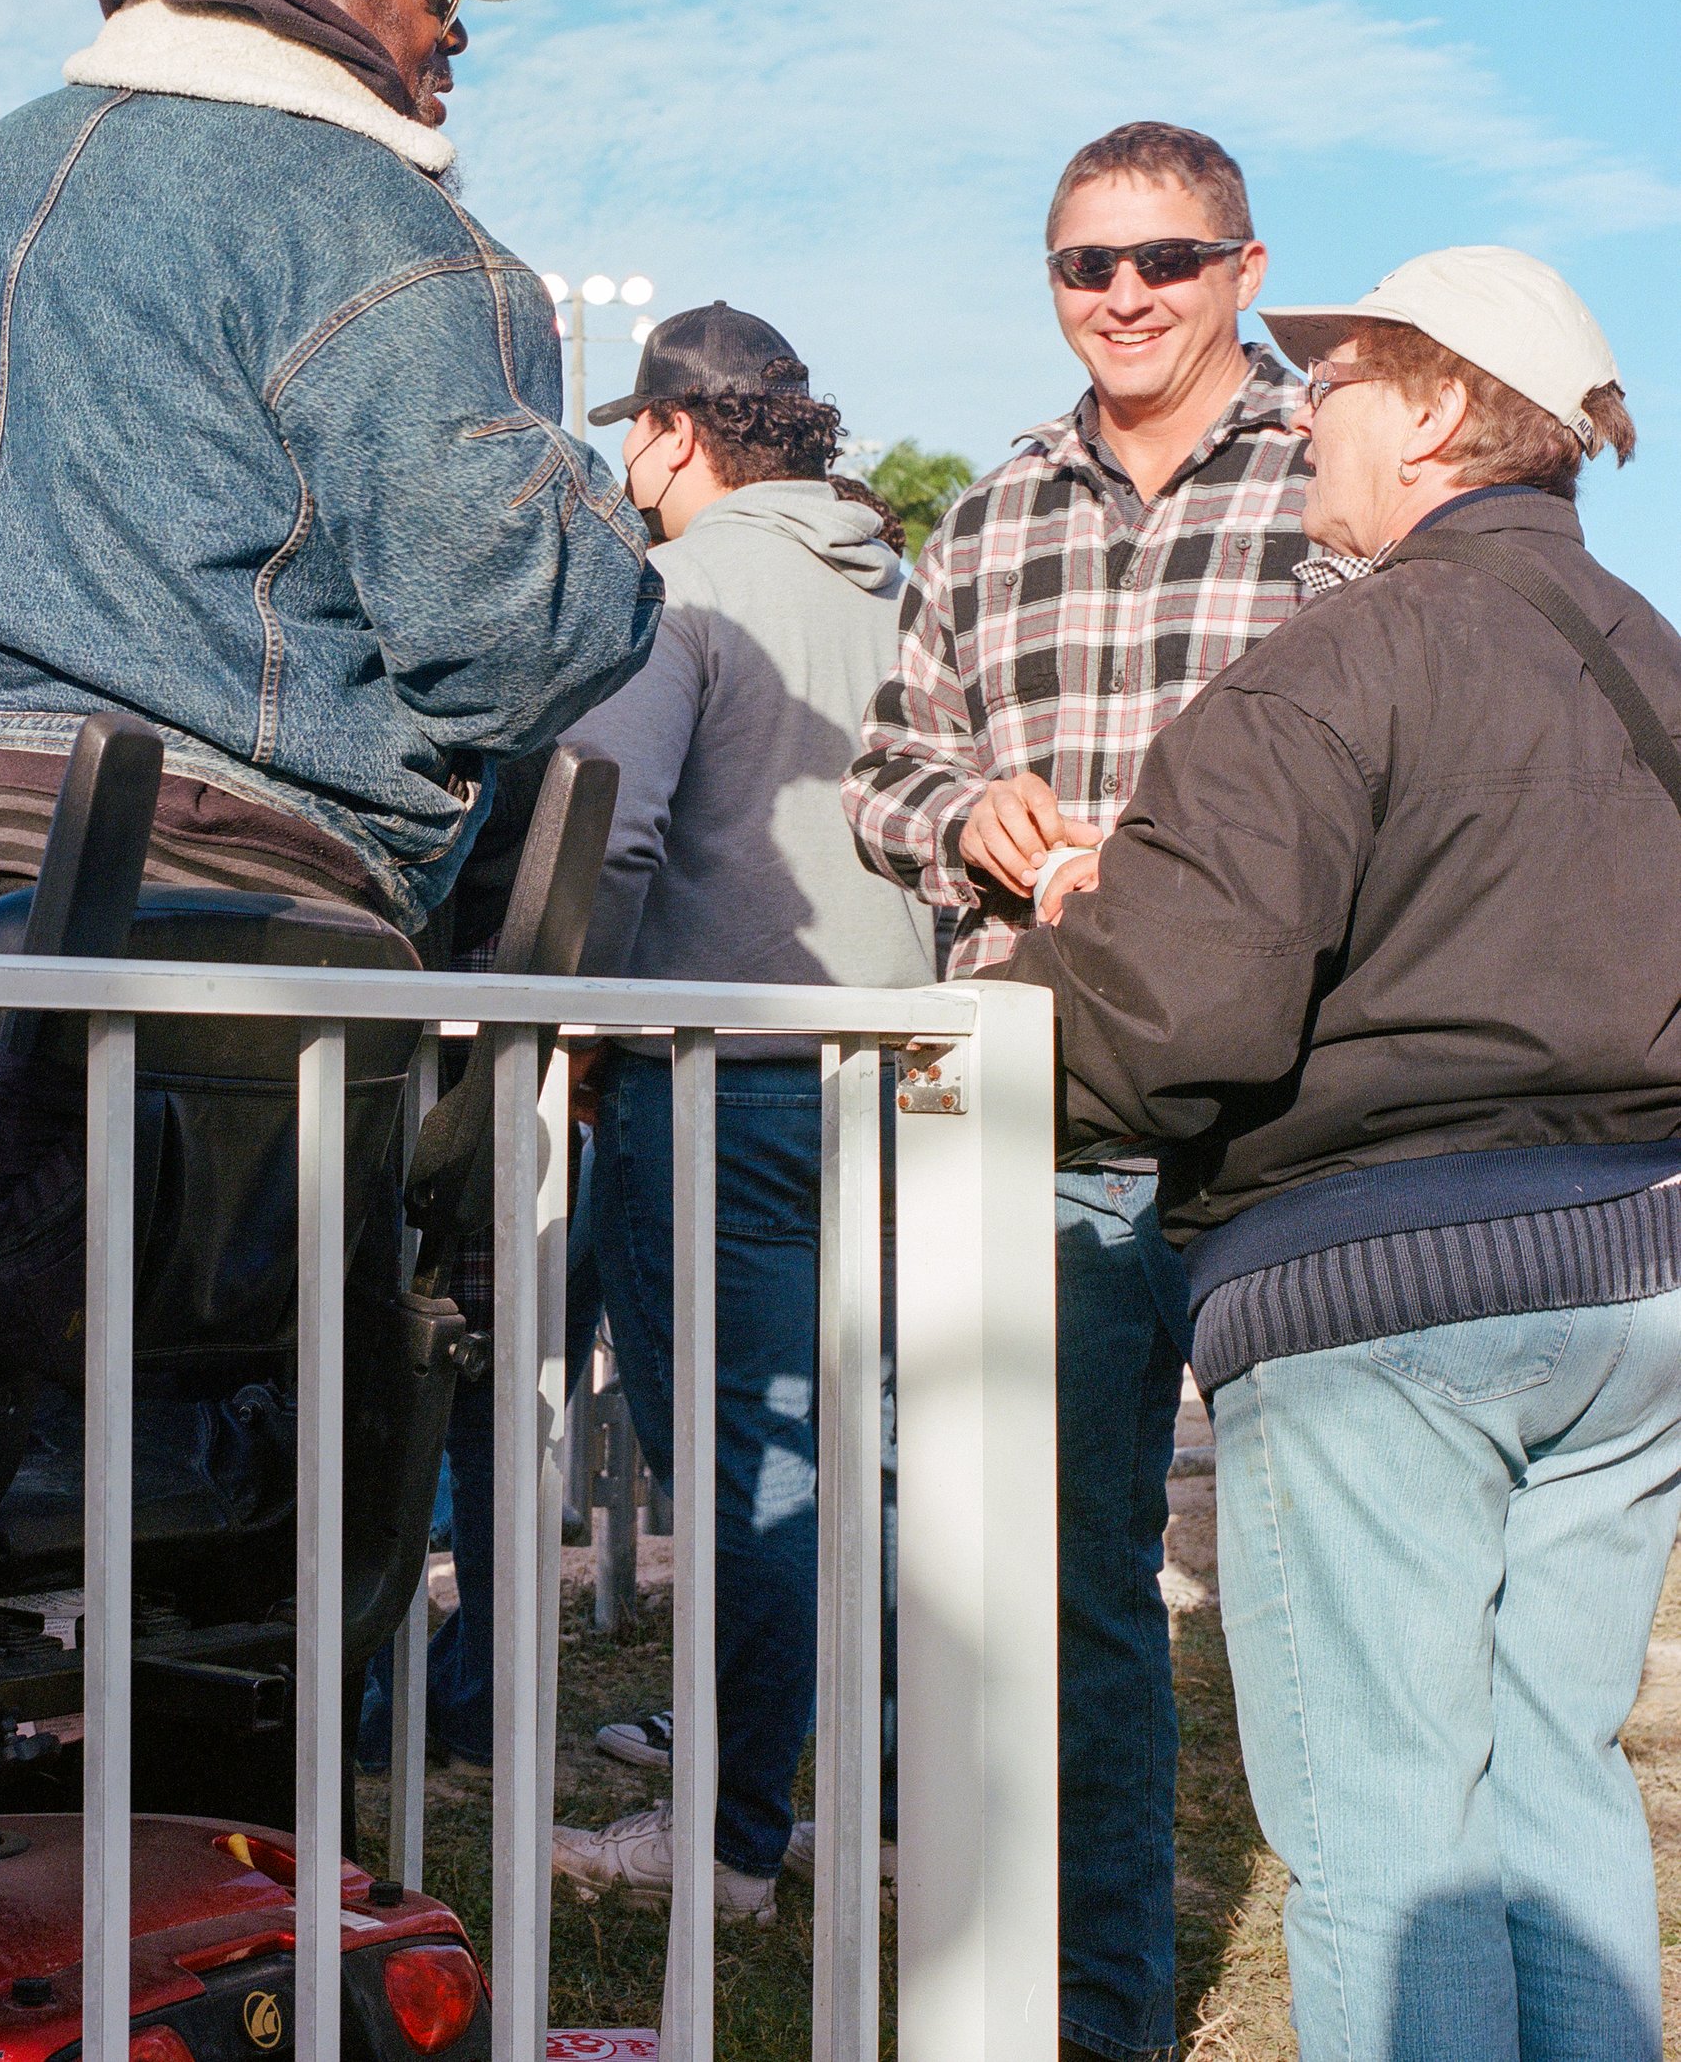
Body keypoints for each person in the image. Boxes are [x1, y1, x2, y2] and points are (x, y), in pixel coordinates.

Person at [1003, 247, 1669, 2061]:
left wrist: (1012, 1022)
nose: (1308, 412)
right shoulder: (1654, 666)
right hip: (1641, 1285)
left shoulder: (1339, 660)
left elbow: (1172, 1022)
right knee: (1554, 1782)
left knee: (1388, 1827)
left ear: (1444, 411)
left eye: (1348, 379)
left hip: (1383, 1300)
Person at [0, 0, 660, 958]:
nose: (454, 40)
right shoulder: (372, 218)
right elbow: (510, 649)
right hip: (217, 880)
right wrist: (614, 525)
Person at [844, 121, 1315, 2061]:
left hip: (1292, 1112)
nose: (1118, 292)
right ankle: (1094, 2007)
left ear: (1242, 268)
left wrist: (1201, 856)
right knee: (1070, 1594)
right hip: (1046, 1105)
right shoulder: (989, 512)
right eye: (1080, 263)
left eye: (1161, 257)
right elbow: (880, 766)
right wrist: (970, 808)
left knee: (1318, 1603)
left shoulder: (1333, 486)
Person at [543, 306, 935, 1925]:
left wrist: (565, 1020)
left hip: (714, 1073)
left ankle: (728, 1845)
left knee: (747, 1473)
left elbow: (611, 837)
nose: (623, 464)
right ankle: (893, 1802)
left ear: (680, 433)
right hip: (898, 1078)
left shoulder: (679, 588)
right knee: (880, 1456)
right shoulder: (904, 588)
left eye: (629, 433)